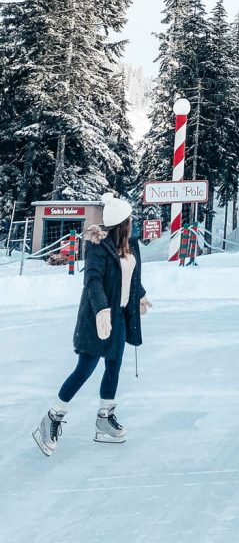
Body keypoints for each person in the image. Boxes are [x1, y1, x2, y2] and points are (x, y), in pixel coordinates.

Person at [33, 195, 152, 457]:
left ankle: (104, 418)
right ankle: (52, 417)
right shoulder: (98, 246)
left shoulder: (131, 245)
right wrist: (101, 310)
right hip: (97, 317)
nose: (132, 222)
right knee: (85, 368)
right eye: (129, 219)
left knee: (114, 368)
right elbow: (93, 281)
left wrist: (141, 295)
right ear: (122, 222)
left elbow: (132, 278)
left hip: (120, 316)